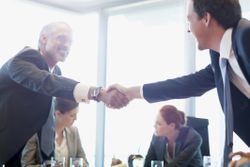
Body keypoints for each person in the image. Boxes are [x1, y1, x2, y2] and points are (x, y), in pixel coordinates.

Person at [107, 0, 250, 166]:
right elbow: (187, 85)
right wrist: (131, 92)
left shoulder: (245, 37)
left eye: (189, 20)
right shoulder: (220, 57)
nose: (188, 29)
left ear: (206, 18)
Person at [0, 21, 128, 166]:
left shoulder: (56, 72)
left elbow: (47, 116)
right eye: (61, 38)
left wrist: (50, 161)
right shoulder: (24, 59)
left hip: (19, 154)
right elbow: (46, 82)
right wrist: (97, 93)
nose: (67, 45)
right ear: (43, 38)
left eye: (70, 42)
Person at [21, 97, 88, 167]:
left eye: (76, 114)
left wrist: (83, 164)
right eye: (72, 115)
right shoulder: (37, 133)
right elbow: (26, 164)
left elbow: (84, 160)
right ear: (58, 114)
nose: (76, 119)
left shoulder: (74, 132)